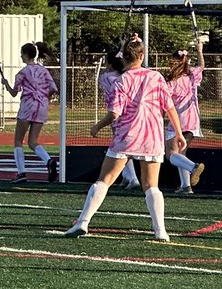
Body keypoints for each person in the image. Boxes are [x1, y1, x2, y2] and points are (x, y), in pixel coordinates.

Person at [66, 36, 185, 241]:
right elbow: (170, 107)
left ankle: (83, 222)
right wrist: (179, 132)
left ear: (124, 58)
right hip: (151, 138)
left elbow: (114, 113)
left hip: (126, 137)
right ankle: (160, 231)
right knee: (151, 186)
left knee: (104, 180)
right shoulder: (155, 77)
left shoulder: (121, 81)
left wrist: (97, 126)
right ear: (142, 55)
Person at [1, 41, 58, 184]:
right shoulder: (43, 70)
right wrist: (44, 96)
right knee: (33, 141)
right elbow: (53, 88)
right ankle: (48, 160)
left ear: (26, 55)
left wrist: (6, 83)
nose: (21, 56)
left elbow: (14, 92)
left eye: (22, 54)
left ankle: (21, 173)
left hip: (27, 106)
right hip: (41, 106)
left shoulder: (22, 73)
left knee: (18, 141)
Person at [165, 38, 207, 195]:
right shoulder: (192, 75)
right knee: (181, 153)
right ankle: (186, 186)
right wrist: (200, 50)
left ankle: (193, 167)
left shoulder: (171, 81)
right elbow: (201, 66)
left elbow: (166, 102)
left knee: (171, 153)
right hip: (193, 120)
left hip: (179, 121)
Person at [99, 53, 140, 189]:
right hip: (131, 114)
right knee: (122, 146)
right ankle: (126, 176)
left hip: (117, 113)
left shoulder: (106, 77)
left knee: (121, 147)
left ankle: (132, 177)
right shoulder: (126, 76)